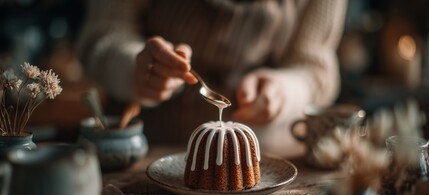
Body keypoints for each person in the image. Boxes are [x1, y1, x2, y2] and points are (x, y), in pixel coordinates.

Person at [76, 0, 348, 158]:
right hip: (145, 152)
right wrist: (136, 70)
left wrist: (285, 91)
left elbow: (316, 67)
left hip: (266, 156)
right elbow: (102, 36)